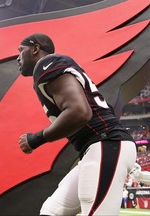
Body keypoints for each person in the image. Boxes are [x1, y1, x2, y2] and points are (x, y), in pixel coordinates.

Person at [17, 33, 137, 216]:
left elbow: (80, 112)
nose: (17, 57)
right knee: (51, 211)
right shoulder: (49, 69)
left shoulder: (47, 64)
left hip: (106, 143)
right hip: (98, 148)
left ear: (35, 49)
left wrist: (36, 139)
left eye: (20, 50)